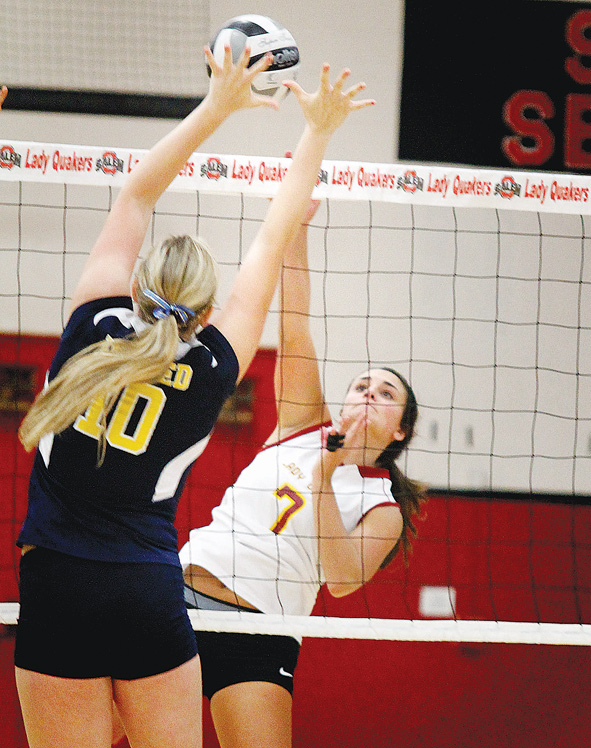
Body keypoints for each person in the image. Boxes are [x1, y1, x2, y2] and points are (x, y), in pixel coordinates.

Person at [14, 41, 375, 748]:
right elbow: (272, 240)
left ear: (138, 281)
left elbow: (137, 193)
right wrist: (318, 131)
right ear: (204, 313)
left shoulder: (92, 320)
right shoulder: (213, 366)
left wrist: (216, 104)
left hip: (56, 584)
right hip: (148, 591)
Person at [180, 198, 426, 748]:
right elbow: (294, 323)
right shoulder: (300, 422)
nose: (368, 394)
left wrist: (325, 479)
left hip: (259, 631)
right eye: (362, 384)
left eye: (385, 394)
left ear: (400, 431)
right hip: (181, 598)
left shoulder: (381, 506)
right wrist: (294, 222)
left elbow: (340, 580)